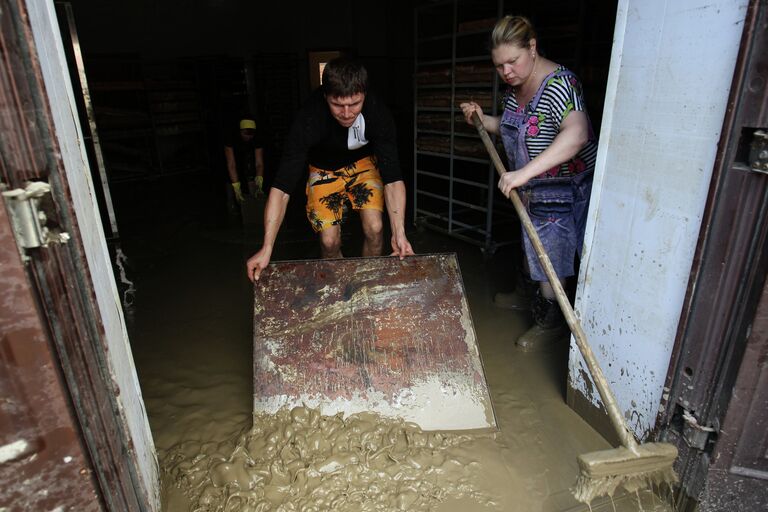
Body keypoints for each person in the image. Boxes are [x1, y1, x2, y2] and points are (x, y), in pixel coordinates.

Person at [460, 15, 597, 350]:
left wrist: (522, 174)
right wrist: (482, 119)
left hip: (563, 188)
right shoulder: (515, 88)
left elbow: (577, 134)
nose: (506, 72)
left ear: (532, 47)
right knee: (530, 245)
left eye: (512, 61)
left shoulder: (559, 85)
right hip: (533, 187)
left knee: (551, 254)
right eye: (499, 66)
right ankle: (526, 294)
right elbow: (513, 127)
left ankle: (550, 322)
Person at [246, 57, 414, 281]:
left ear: (364, 93)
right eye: (338, 105)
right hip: (322, 168)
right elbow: (282, 188)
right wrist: (267, 247)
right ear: (325, 96)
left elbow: (393, 178)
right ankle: (340, 288)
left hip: (362, 164)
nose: (346, 113)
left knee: (375, 228)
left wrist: (400, 234)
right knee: (329, 241)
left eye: (354, 104)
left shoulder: (377, 111)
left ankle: (366, 283)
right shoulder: (308, 117)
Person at [224, 116, 265, 209]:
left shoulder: (257, 138)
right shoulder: (230, 136)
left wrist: (259, 180)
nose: (248, 136)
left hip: (248, 154)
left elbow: (259, 163)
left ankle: (252, 205)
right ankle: (231, 203)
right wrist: (236, 188)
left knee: (251, 175)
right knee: (230, 178)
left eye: (251, 134)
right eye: (245, 133)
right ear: (240, 131)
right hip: (234, 155)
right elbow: (231, 165)